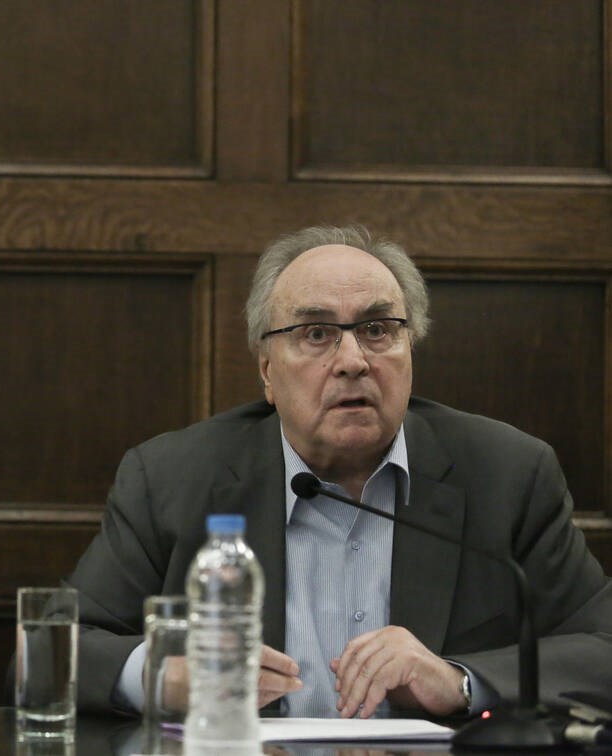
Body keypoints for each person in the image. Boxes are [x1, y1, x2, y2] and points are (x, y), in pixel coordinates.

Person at [68, 225, 612, 719]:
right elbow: (61, 646)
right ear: (267, 372)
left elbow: (601, 648)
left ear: (410, 351)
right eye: (315, 334)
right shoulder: (171, 477)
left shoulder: (507, 473)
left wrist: (461, 681)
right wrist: (164, 676)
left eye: (377, 329)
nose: (353, 360)